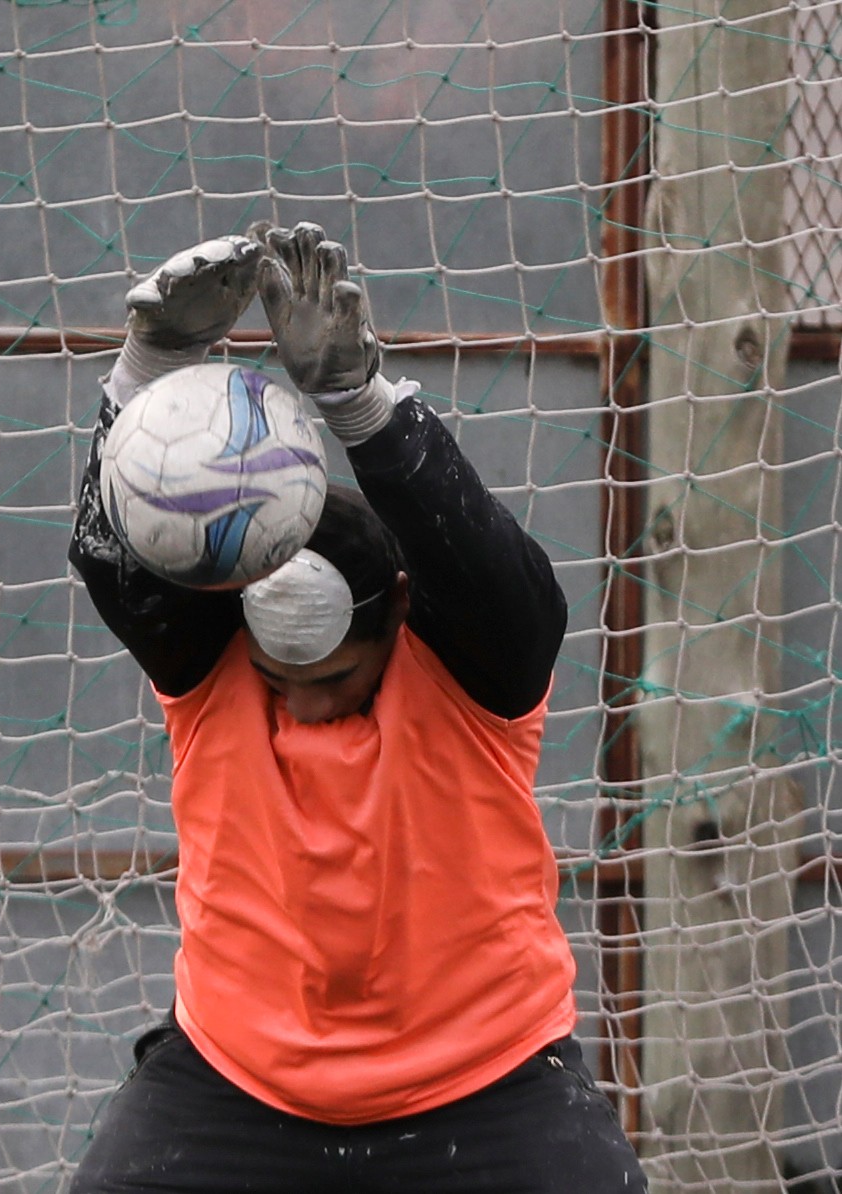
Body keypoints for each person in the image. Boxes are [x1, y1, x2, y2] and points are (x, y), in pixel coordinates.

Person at [68, 223, 648, 1193]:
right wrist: (144, 376)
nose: (303, 705)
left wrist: (360, 404)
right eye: (280, 682)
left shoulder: (474, 678)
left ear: (401, 617)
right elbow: (111, 561)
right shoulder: (210, 666)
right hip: (237, 1081)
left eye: (335, 679)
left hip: (486, 1078)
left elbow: (501, 578)